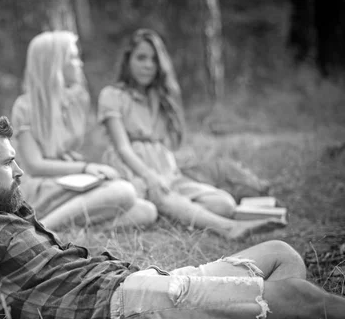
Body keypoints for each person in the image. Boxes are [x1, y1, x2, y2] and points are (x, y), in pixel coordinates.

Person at [0, 115, 345, 319]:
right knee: (297, 298)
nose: (19, 170)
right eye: (8, 162)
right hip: (121, 313)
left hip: (138, 284)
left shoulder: (3, 213)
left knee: (279, 254)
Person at [97, 29, 285, 240]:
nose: (148, 65)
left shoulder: (159, 97)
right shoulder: (112, 95)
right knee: (160, 192)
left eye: (153, 60)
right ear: (127, 59)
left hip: (168, 172)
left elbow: (166, 146)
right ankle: (228, 228)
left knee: (224, 203)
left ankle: (171, 214)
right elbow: (122, 148)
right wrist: (150, 176)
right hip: (133, 170)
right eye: (141, 58)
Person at [10, 31, 157, 231]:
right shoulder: (25, 106)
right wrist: (85, 168)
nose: (79, 63)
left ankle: (67, 230)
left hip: (69, 183)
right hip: (39, 188)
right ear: (54, 64)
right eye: (72, 57)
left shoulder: (76, 100)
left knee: (146, 210)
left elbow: (68, 150)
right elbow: (35, 165)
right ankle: (38, 230)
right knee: (123, 191)